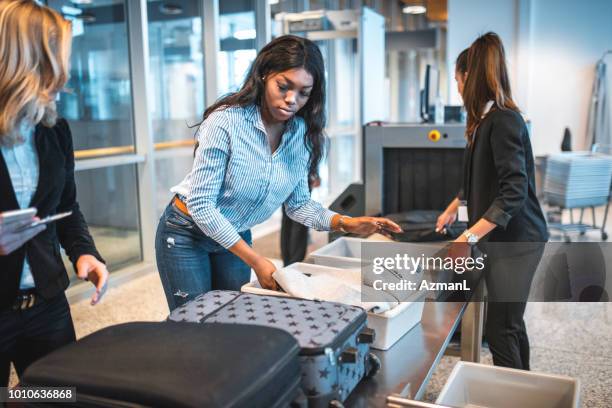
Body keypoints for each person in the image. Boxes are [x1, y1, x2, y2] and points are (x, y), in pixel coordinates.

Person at [155, 35, 402, 310]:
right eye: (283, 86)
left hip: (233, 232)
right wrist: (256, 260)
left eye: (303, 93)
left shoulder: (301, 135)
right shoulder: (226, 122)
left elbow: (298, 205)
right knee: (193, 323)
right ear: (263, 75)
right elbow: (201, 206)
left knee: (230, 317)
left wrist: (346, 223)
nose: (291, 100)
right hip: (187, 232)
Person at [0, 0, 108, 387]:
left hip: (47, 303)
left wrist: (84, 253)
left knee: (56, 398)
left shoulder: (54, 129)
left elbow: (66, 207)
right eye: (57, 60)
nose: (65, 73)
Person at [436, 33, 548, 370]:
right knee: (510, 324)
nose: (456, 87)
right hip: (503, 240)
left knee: (500, 329)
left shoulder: (504, 120)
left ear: (468, 77)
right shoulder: (484, 121)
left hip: (517, 243)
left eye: (457, 79)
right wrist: (456, 203)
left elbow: (513, 191)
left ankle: (512, 395)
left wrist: (467, 237)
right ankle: (526, 391)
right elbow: (483, 174)